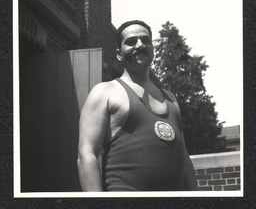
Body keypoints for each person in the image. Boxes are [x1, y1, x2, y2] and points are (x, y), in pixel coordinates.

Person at [77, 20, 198, 191]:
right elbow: (86, 154)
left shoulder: (171, 99)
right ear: (119, 54)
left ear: (153, 50)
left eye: (145, 40)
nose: (140, 45)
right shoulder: (104, 92)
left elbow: (184, 158)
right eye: (131, 41)